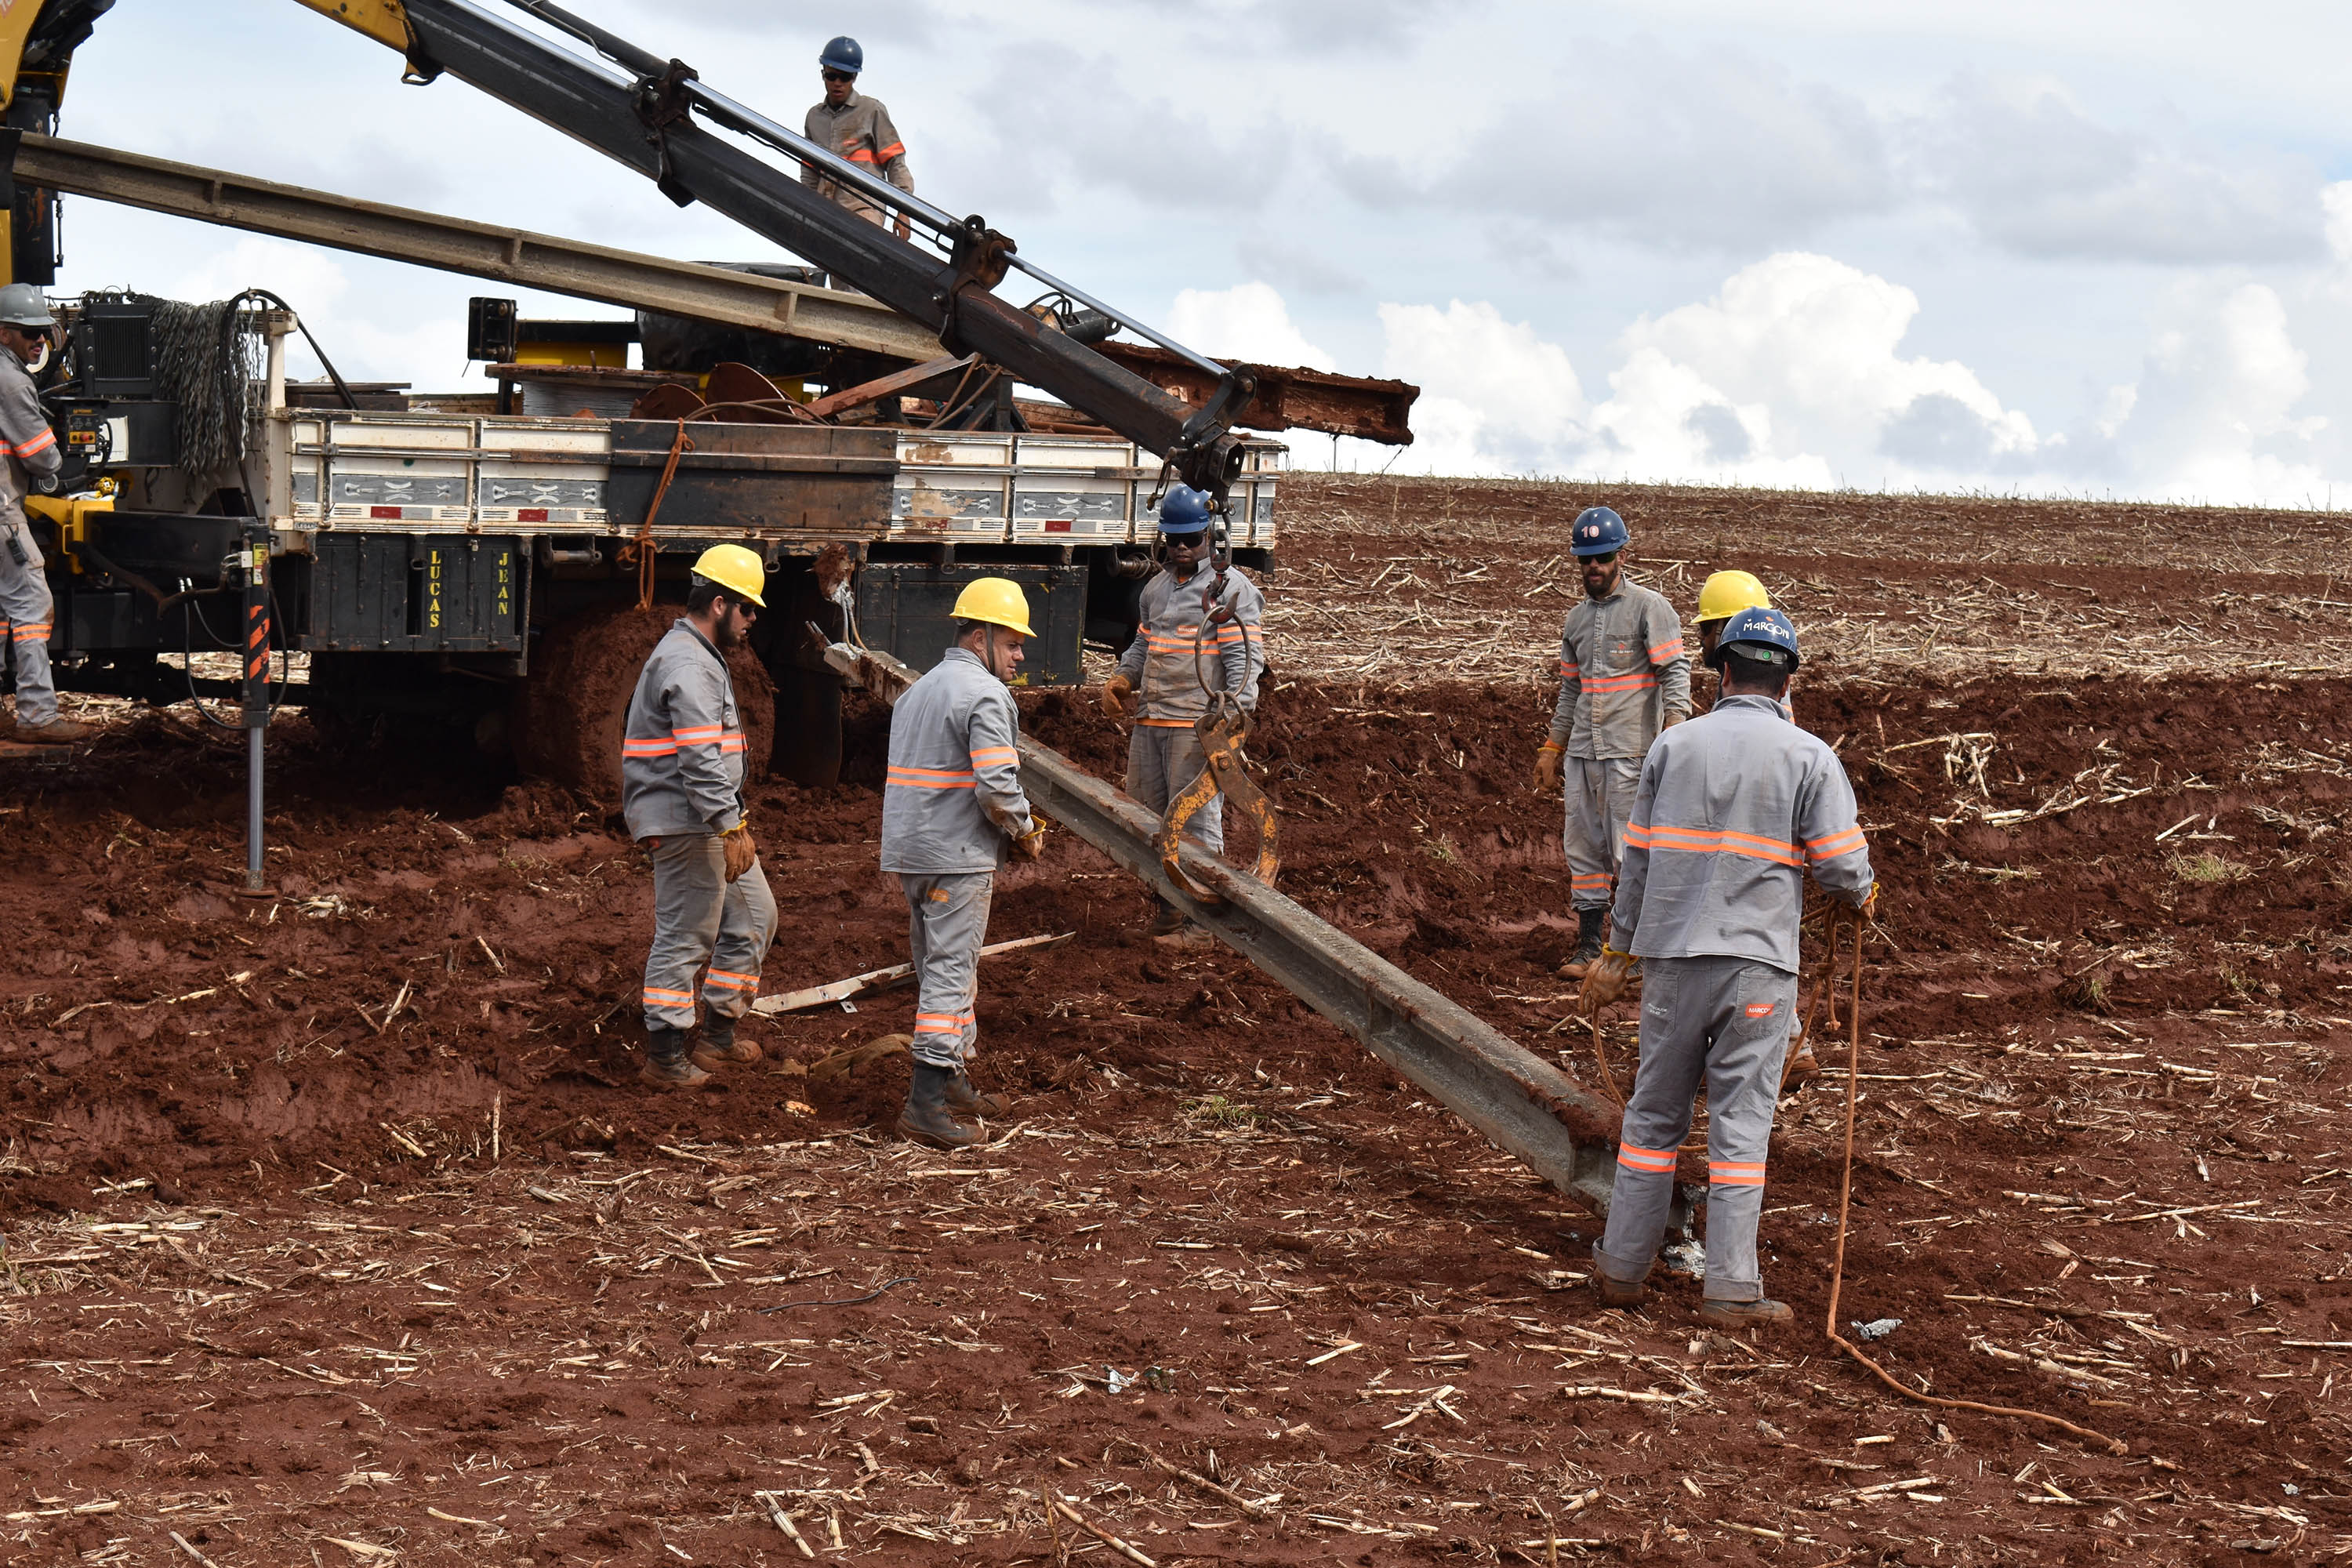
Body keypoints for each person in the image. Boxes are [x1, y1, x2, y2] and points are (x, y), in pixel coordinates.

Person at [1578, 607, 1876, 1327]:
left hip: (1672, 965)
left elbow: (1637, 866)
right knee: (1741, 1130)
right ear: (1787, 681)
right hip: (1758, 971)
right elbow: (1842, 868)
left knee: (1651, 1119)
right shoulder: (1811, 757)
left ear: (1723, 671)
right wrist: (1863, 892)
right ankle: (1731, 1291)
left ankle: (1621, 1269)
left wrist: (1617, 954)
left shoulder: (1673, 748)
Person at [880, 577, 1047, 1149]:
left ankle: (952, 1083)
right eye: (1012, 642)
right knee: (952, 974)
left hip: (913, 853)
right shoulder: (984, 695)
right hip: (957, 855)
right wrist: (1025, 830)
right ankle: (924, 1105)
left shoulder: (919, 690)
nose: (1021, 654)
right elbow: (998, 787)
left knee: (938, 966)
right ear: (980, 637)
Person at [622, 544, 779, 1090]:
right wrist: (729, 824)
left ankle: (716, 1039)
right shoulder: (690, 663)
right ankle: (665, 1057)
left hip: (706, 819)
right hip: (689, 820)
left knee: (756, 916)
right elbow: (698, 756)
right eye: (748, 609)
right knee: (686, 934)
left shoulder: (698, 655)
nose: (753, 620)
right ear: (719, 604)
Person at [1099, 485, 1265, 942]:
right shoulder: (1155, 588)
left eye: (1191, 539)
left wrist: (1233, 720)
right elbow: (1142, 645)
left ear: (1209, 534)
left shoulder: (1229, 588)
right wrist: (1122, 679)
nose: (1182, 548)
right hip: (1151, 719)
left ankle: (1201, 924)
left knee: (1193, 822)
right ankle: (1169, 911)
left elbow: (1243, 662)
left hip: (1196, 725)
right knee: (1151, 819)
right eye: (1173, 540)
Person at [1533, 506, 1688, 978]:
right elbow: (1571, 691)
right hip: (1583, 754)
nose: (1593, 567)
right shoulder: (1575, 621)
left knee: (1631, 853)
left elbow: (1674, 673)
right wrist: (1552, 748)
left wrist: (1674, 733)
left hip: (1629, 754)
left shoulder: (1649, 607)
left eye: (1601, 557)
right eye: (1585, 559)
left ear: (1621, 555)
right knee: (1584, 852)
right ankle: (1588, 949)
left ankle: (1636, 954)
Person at [0, 284, 86, 744]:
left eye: (42, 333)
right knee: (31, 606)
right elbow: (43, 458)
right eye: (28, 333)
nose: (39, 342)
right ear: (4, 334)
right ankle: (36, 714)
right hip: (2, 517)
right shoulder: (11, 381)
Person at [802, 36, 915, 239]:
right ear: (823, 74)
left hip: (864, 208)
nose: (837, 83)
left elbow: (895, 163)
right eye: (832, 76)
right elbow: (810, 173)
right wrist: (805, 207)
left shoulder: (871, 110)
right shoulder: (814, 117)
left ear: (854, 77)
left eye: (844, 77)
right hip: (825, 208)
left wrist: (903, 212)